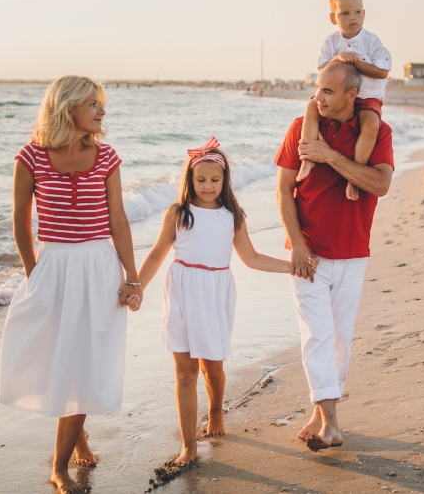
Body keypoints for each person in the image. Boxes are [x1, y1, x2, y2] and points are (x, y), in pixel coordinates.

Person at [0, 75, 141, 494]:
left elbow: (118, 220)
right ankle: (76, 433)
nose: (101, 111)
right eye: (93, 104)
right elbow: (20, 221)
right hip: (55, 265)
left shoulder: (106, 156)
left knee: (86, 362)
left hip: (98, 266)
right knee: (59, 354)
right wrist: (33, 271)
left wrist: (132, 278)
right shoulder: (31, 157)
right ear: (68, 108)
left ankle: (58, 467)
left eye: (102, 104)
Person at [134, 137, 317, 465]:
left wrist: (292, 266)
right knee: (185, 371)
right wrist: (137, 285)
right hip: (180, 289)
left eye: (214, 180)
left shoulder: (232, 216)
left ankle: (215, 410)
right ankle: (189, 447)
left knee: (212, 369)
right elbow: (157, 254)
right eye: (200, 180)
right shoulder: (178, 213)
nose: (207, 186)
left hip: (214, 291)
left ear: (225, 180)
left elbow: (252, 257)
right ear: (189, 180)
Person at [275, 62, 394, 451]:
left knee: (340, 339)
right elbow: (283, 191)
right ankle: (331, 424)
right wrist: (298, 244)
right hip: (307, 253)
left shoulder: (377, 132)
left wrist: (328, 156)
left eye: (327, 91)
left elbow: (379, 183)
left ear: (351, 95)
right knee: (317, 336)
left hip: (353, 251)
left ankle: (320, 410)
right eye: (317, 88)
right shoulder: (301, 128)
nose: (318, 97)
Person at [295, 0, 392, 202]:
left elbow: (382, 71)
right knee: (311, 108)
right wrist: (338, 58)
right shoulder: (331, 42)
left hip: (367, 96)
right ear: (333, 18)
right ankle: (308, 159)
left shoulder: (372, 42)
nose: (353, 18)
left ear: (364, 14)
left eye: (357, 12)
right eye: (345, 13)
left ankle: (354, 176)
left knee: (370, 125)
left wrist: (356, 62)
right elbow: (323, 70)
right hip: (337, 95)